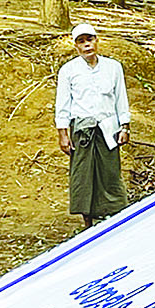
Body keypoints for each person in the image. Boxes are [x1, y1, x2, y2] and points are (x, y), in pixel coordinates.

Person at [56, 23, 131, 227]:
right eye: (81, 42)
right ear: (76, 46)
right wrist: (63, 133)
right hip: (82, 130)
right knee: (83, 175)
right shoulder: (68, 71)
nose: (87, 45)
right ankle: (87, 221)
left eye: (89, 40)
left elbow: (120, 98)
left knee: (110, 173)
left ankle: (114, 216)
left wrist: (124, 126)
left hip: (108, 127)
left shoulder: (113, 67)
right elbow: (63, 103)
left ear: (97, 41)